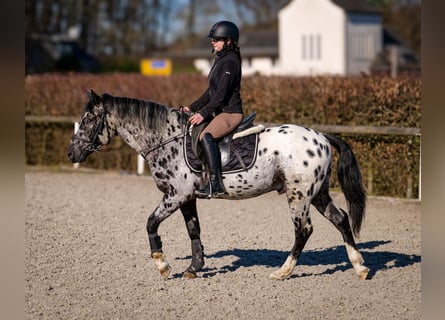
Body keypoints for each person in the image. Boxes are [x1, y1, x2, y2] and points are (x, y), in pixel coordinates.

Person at [181, 20, 244, 198]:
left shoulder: (230, 62)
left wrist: (203, 114)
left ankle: (215, 183)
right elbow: (210, 92)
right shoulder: (221, 60)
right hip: (222, 112)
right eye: (212, 39)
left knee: (206, 136)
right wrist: (190, 108)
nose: (213, 41)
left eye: (217, 39)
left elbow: (221, 95)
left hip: (231, 113)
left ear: (229, 41)